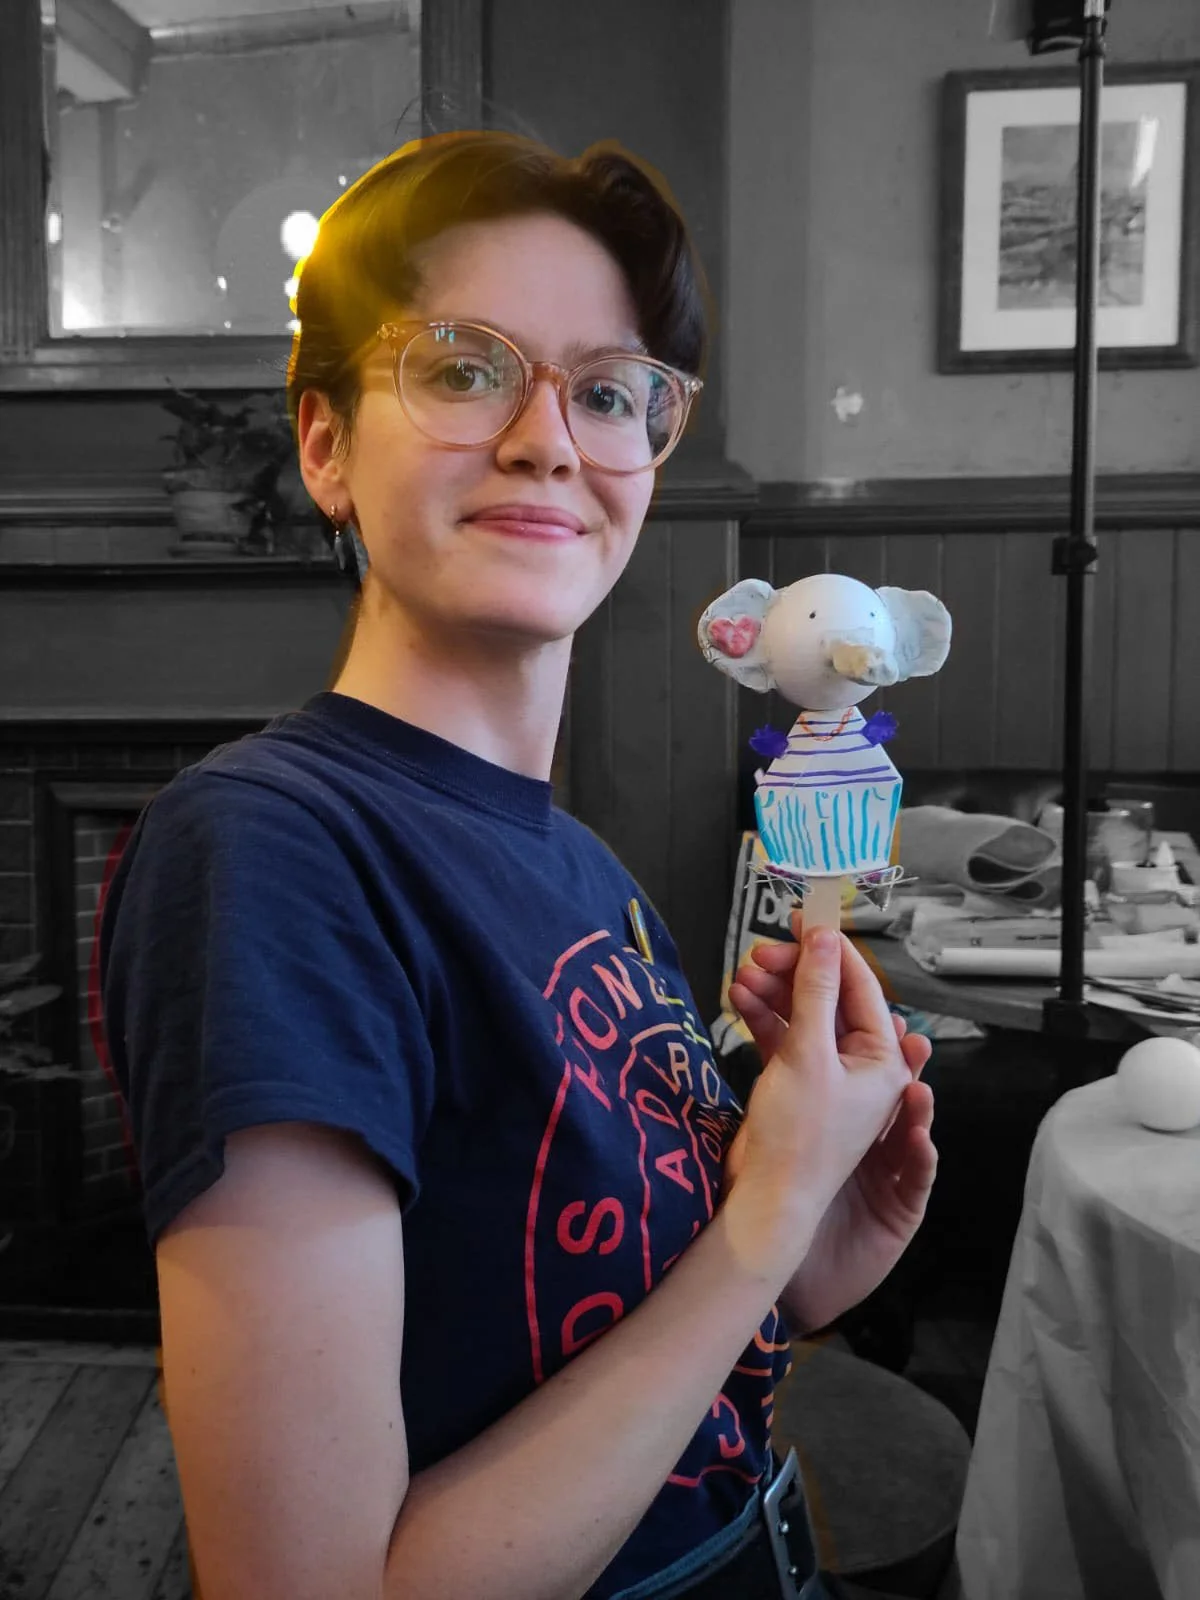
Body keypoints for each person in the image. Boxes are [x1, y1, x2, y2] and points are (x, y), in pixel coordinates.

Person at [98, 129, 937, 1600]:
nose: (550, 439)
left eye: (607, 393)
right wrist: (762, 1223)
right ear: (324, 447)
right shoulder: (272, 851)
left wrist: (811, 1233)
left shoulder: (588, 869)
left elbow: (602, 1336)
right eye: (465, 367)